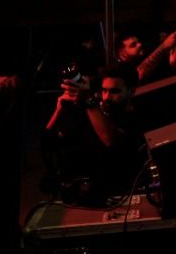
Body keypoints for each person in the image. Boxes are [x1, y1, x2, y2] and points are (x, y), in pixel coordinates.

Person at [45, 63, 145, 202]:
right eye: (104, 90)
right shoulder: (92, 112)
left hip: (115, 196)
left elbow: (111, 141)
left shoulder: (137, 118)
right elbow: (48, 143)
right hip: (80, 196)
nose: (106, 97)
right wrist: (59, 110)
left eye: (114, 91)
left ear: (132, 91)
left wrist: (88, 101)